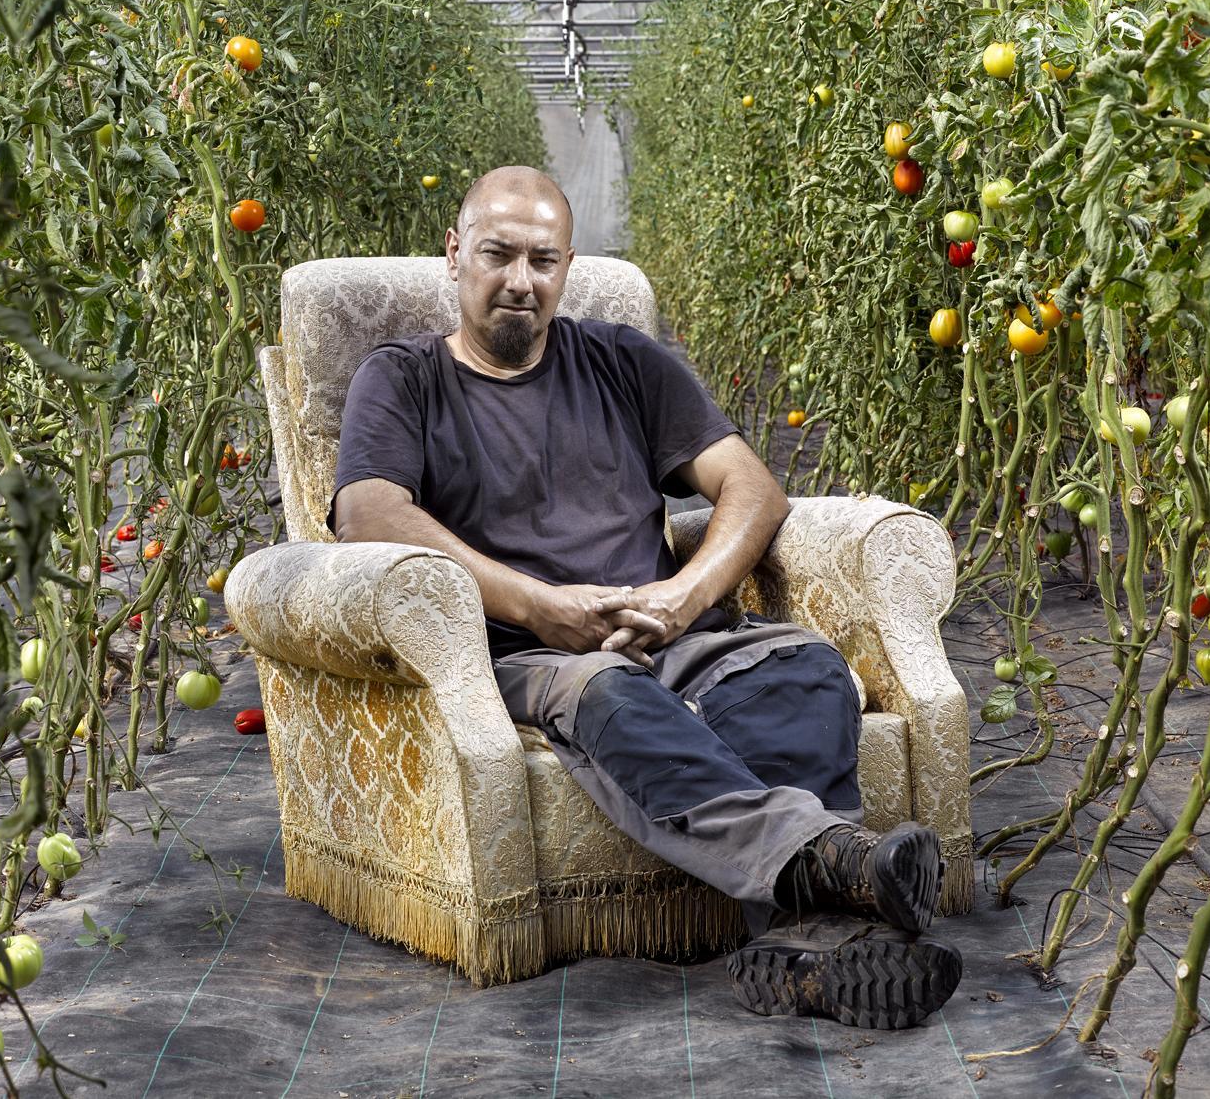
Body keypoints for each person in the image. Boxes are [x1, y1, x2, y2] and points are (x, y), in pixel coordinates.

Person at [327, 166, 961, 1028]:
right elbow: (370, 513)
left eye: (542, 259)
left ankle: (808, 940)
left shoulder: (623, 360)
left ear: (566, 266)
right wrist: (540, 606)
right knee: (611, 694)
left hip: (662, 629)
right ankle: (827, 858)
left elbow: (750, 485)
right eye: (497, 254)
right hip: (526, 651)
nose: (520, 278)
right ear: (454, 255)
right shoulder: (402, 379)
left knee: (804, 667)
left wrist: (682, 595)